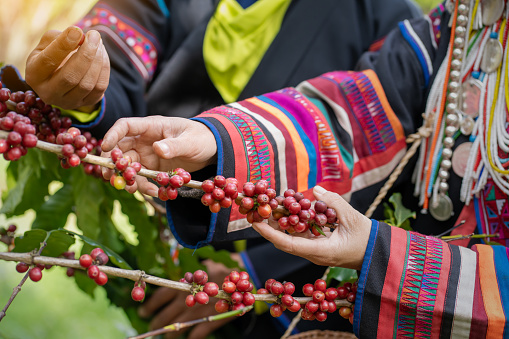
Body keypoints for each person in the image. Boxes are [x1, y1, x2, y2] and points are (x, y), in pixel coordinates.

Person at [100, 0, 509, 337]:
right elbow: (365, 114)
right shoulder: (467, 21)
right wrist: (220, 141)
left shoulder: (380, 10)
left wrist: (383, 256)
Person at [23, 0, 422, 337]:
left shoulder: (386, 19)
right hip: (162, 244)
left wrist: (252, 273)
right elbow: (120, 44)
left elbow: (385, 167)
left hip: (288, 287)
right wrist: (83, 81)